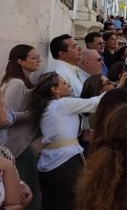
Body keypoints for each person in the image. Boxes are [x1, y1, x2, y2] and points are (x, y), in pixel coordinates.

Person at [28, 72, 103, 210]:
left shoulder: (47, 106)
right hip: (66, 162)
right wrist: (118, 88)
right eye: (63, 83)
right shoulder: (62, 104)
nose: (68, 84)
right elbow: (95, 103)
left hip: (47, 163)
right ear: (55, 90)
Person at [0, 45, 41, 210]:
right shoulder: (16, 83)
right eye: (33, 58)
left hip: (19, 147)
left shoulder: (18, 82)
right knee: (29, 196)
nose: (38, 61)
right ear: (20, 62)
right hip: (17, 148)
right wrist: (35, 112)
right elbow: (7, 117)